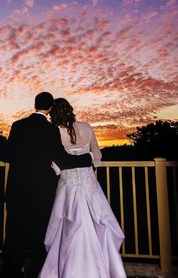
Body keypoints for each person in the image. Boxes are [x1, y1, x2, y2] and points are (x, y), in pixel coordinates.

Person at [0, 92, 93, 278]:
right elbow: (63, 160)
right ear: (50, 108)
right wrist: (88, 157)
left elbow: (7, 156)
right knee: (38, 239)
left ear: (35, 105)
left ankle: (11, 273)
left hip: (17, 192)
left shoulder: (17, 126)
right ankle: (36, 273)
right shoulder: (51, 130)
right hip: (42, 194)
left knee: (14, 239)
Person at [39, 98, 127, 278]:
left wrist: (59, 170)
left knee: (65, 225)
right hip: (89, 184)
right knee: (97, 222)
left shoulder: (55, 132)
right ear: (70, 110)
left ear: (54, 113)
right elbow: (97, 156)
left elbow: (55, 162)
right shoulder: (86, 127)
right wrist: (86, 160)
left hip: (68, 185)